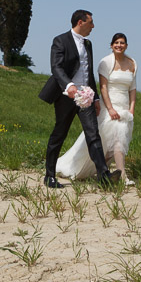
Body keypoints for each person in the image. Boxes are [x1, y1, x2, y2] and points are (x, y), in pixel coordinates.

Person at [39, 10, 121, 188]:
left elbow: (88, 72)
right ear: (80, 22)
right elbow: (56, 67)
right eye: (91, 22)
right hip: (66, 97)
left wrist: (96, 98)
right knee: (59, 134)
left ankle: (104, 176)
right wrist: (69, 86)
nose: (93, 26)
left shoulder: (88, 44)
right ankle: (50, 176)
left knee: (93, 135)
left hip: (87, 98)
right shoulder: (60, 40)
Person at [56, 32, 137, 185]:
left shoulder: (132, 63)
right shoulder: (105, 62)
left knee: (115, 143)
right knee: (115, 142)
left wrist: (131, 109)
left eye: (122, 43)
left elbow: (133, 88)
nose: (119, 45)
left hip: (125, 107)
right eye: (116, 43)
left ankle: (103, 171)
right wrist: (111, 108)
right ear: (111, 45)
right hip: (110, 107)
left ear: (126, 45)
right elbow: (104, 88)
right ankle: (123, 177)